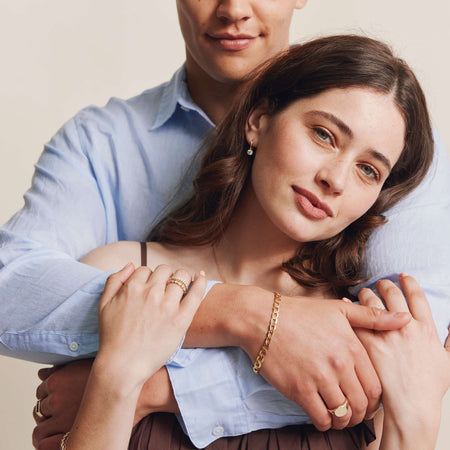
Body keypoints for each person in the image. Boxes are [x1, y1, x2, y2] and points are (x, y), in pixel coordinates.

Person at [0, 0, 448, 447]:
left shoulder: (369, 329)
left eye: (369, 170)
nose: (334, 179)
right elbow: (12, 291)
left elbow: (394, 380)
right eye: (323, 134)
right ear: (257, 121)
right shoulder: (124, 266)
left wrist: (157, 387)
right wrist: (249, 318)